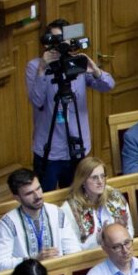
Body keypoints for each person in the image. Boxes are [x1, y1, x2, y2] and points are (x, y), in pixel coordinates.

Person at [26, 18, 114, 190]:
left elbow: (108, 85)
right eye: (57, 40)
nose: (62, 45)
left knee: (78, 196)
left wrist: (95, 71)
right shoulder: (35, 66)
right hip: (49, 149)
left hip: (78, 146)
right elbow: (36, 100)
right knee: (47, 197)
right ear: (47, 43)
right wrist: (42, 69)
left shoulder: (76, 63)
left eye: (65, 39)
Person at [0, 169, 79, 272]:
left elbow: (74, 251)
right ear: (17, 198)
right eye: (29, 193)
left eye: (38, 188)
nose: (37, 196)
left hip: (58, 273)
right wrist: (34, 260)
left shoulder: (57, 213)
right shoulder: (7, 224)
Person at [61, 156, 134, 248]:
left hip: (119, 251)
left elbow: (130, 231)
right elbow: (72, 247)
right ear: (82, 181)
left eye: (102, 176)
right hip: (90, 256)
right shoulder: (69, 209)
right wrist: (98, 239)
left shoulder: (115, 197)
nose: (100, 181)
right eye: (94, 178)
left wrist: (122, 230)